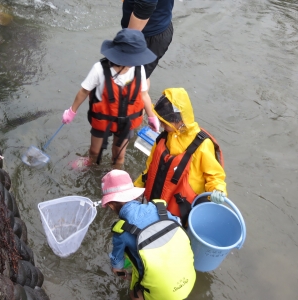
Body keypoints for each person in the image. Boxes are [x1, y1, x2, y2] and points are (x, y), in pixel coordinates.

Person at [62, 29, 160, 169]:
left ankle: (116, 174)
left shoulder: (139, 70)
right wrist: (72, 111)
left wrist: (152, 117)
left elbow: (144, 94)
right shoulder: (99, 69)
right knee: (95, 151)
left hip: (126, 121)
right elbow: (84, 91)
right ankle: (90, 161)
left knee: (119, 156)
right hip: (103, 118)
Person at [134, 87, 228, 226]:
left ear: (179, 120)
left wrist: (218, 190)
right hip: (156, 202)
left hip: (179, 211)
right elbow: (150, 167)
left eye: (165, 122)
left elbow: (215, 175)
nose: (162, 125)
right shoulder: (164, 138)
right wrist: (135, 188)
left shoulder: (202, 144)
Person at [101, 169, 196, 300]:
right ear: (134, 195)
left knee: (134, 294)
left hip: (165, 294)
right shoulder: (159, 207)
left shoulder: (121, 231)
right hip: (189, 279)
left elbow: (117, 266)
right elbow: (177, 223)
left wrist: (121, 271)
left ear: (111, 205)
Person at [122, 0, 174, 87]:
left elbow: (143, 11)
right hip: (153, 25)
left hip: (148, 36)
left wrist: (127, 48)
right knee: (142, 77)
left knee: (132, 81)